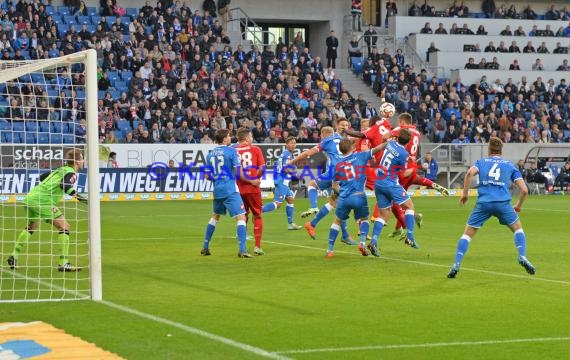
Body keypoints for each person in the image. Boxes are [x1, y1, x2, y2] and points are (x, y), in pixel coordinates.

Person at [447, 137, 535, 278]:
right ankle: (522, 256)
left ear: (489, 149)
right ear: (501, 150)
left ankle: (456, 263)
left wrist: (465, 194)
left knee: (467, 234)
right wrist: (518, 205)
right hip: (503, 203)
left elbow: (470, 173)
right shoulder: (509, 165)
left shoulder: (481, 162)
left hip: (484, 203)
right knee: (518, 229)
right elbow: (524, 190)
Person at [7, 149, 87, 272]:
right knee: (64, 226)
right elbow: (64, 185)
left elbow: (41, 177)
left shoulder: (60, 170)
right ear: (77, 162)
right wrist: (82, 198)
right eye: (82, 159)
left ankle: (13, 256)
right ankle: (63, 263)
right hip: (42, 201)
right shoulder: (72, 173)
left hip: (30, 197)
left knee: (32, 226)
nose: (83, 161)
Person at [289, 120, 355, 244]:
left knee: (332, 202)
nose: (345, 128)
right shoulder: (343, 141)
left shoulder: (331, 140)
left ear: (323, 135)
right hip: (341, 174)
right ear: (336, 127)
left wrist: (292, 161)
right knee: (340, 204)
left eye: (346, 125)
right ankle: (345, 235)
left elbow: (308, 153)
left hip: (334, 173)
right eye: (343, 126)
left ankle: (313, 219)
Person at [201, 129, 260, 258]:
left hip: (217, 190)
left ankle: (205, 246)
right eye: (228, 136)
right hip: (230, 190)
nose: (230, 138)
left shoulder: (210, 154)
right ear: (224, 139)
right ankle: (242, 250)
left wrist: (217, 178)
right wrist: (253, 181)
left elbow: (207, 176)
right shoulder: (232, 152)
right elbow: (239, 174)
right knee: (241, 217)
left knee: (215, 217)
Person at [325, 138, 387, 257]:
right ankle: (362, 243)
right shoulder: (360, 156)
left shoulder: (337, 165)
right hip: (359, 195)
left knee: (337, 221)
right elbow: (379, 148)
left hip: (344, 197)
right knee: (364, 219)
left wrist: (341, 194)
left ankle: (330, 250)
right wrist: (390, 143)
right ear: (352, 148)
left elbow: (334, 186)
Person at [370, 128, 419, 254]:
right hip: (390, 183)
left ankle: (374, 241)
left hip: (379, 182)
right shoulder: (404, 154)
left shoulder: (390, 143)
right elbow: (403, 174)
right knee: (410, 206)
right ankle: (410, 236)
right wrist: (413, 169)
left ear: (397, 138)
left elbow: (387, 140)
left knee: (383, 215)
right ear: (408, 142)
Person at [234, 127, 266, 255]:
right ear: (247, 138)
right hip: (253, 188)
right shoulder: (255, 149)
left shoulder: (233, 151)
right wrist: (255, 178)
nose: (252, 139)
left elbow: (235, 172)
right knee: (257, 215)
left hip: (239, 189)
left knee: (242, 216)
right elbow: (262, 169)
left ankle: (243, 246)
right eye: (251, 137)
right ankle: (257, 246)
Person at [262, 136, 302, 230]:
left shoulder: (286, 154)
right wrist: (296, 174)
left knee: (290, 199)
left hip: (282, 181)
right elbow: (285, 169)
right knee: (278, 204)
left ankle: (290, 224)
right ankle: (259, 210)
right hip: (282, 182)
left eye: (294, 143)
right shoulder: (287, 154)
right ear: (286, 144)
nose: (293, 145)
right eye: (291, 143)